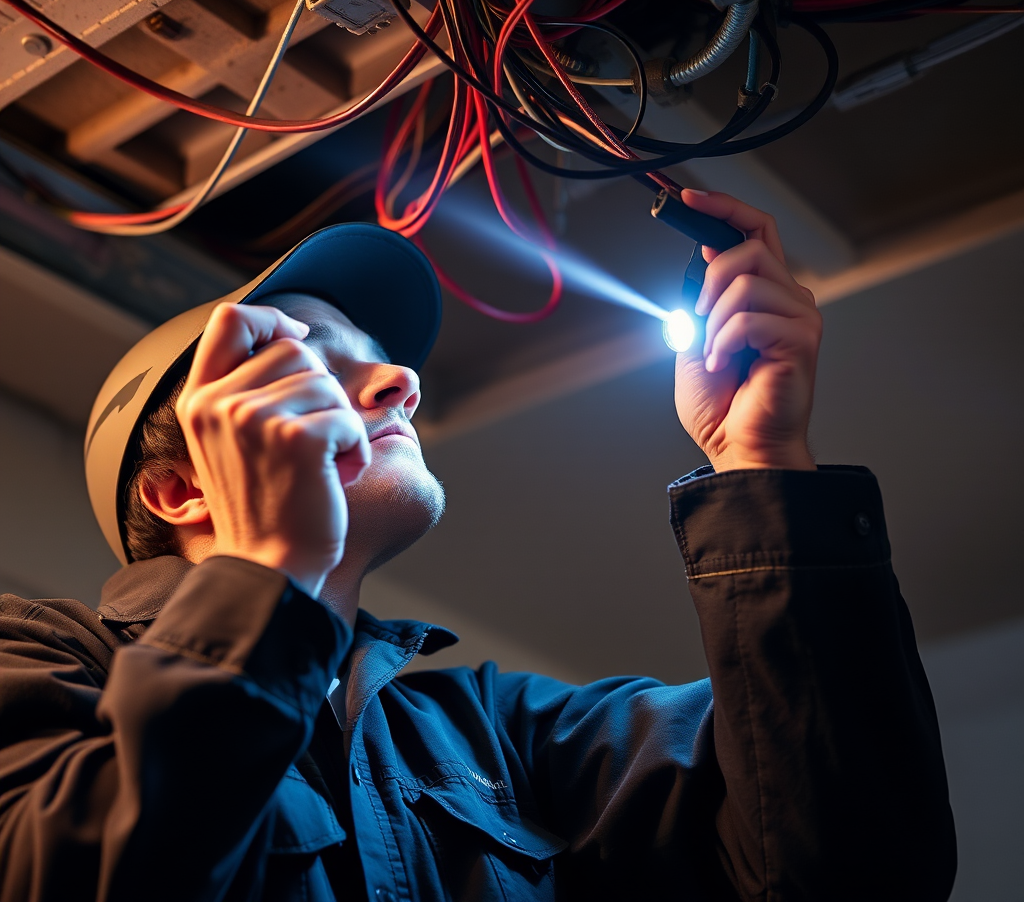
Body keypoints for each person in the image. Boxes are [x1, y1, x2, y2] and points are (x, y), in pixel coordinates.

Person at [0, 192, 956, 902]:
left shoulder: (500, 736)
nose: (402, 381)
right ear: (182, 487)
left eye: (383, 359)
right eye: (316, 364)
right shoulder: (39, 664)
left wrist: (761, 465)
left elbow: (853, 868)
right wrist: (268, 577)